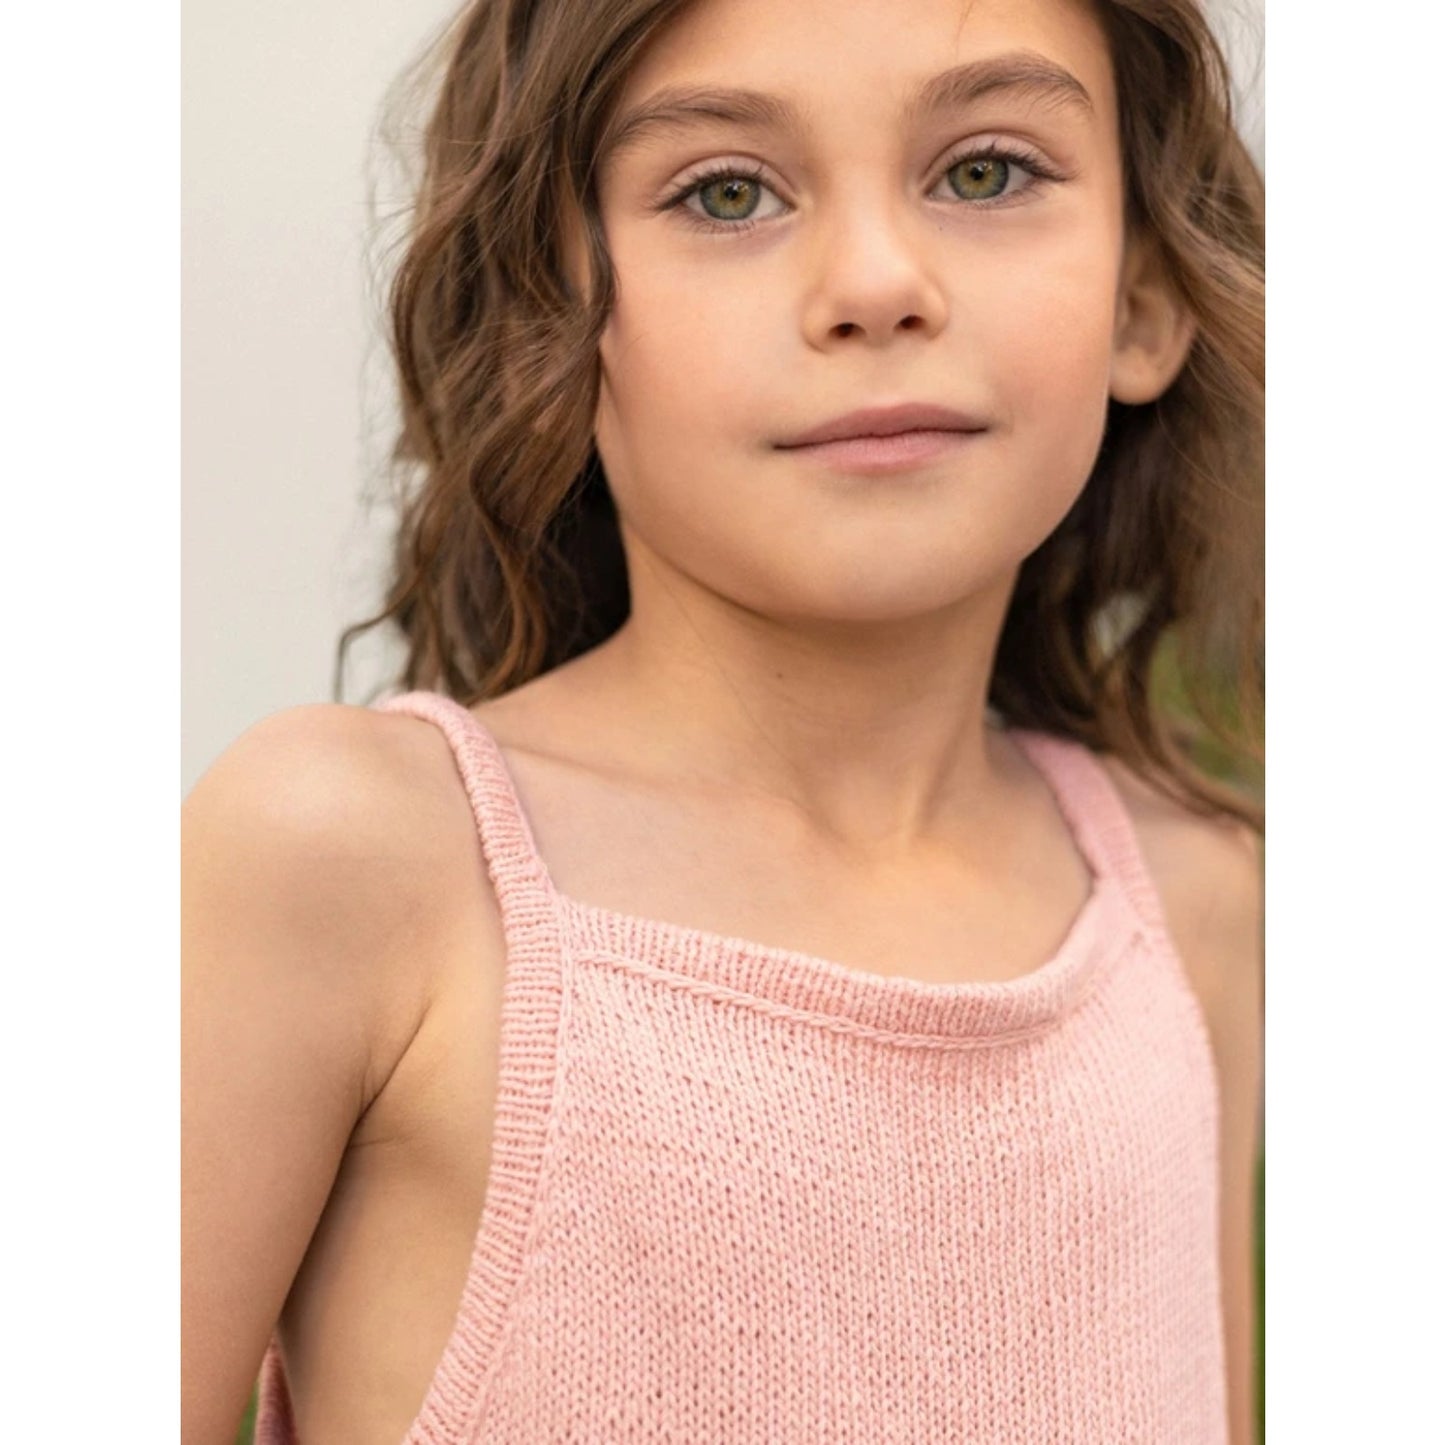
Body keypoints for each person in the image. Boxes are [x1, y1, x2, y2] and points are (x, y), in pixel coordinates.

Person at [182, 0, 1264, 1439]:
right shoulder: (354, 866)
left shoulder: (1190, 911)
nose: (875, 284)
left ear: (1143, 297)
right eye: (728, 194)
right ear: (543, 319)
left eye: (985, 171)